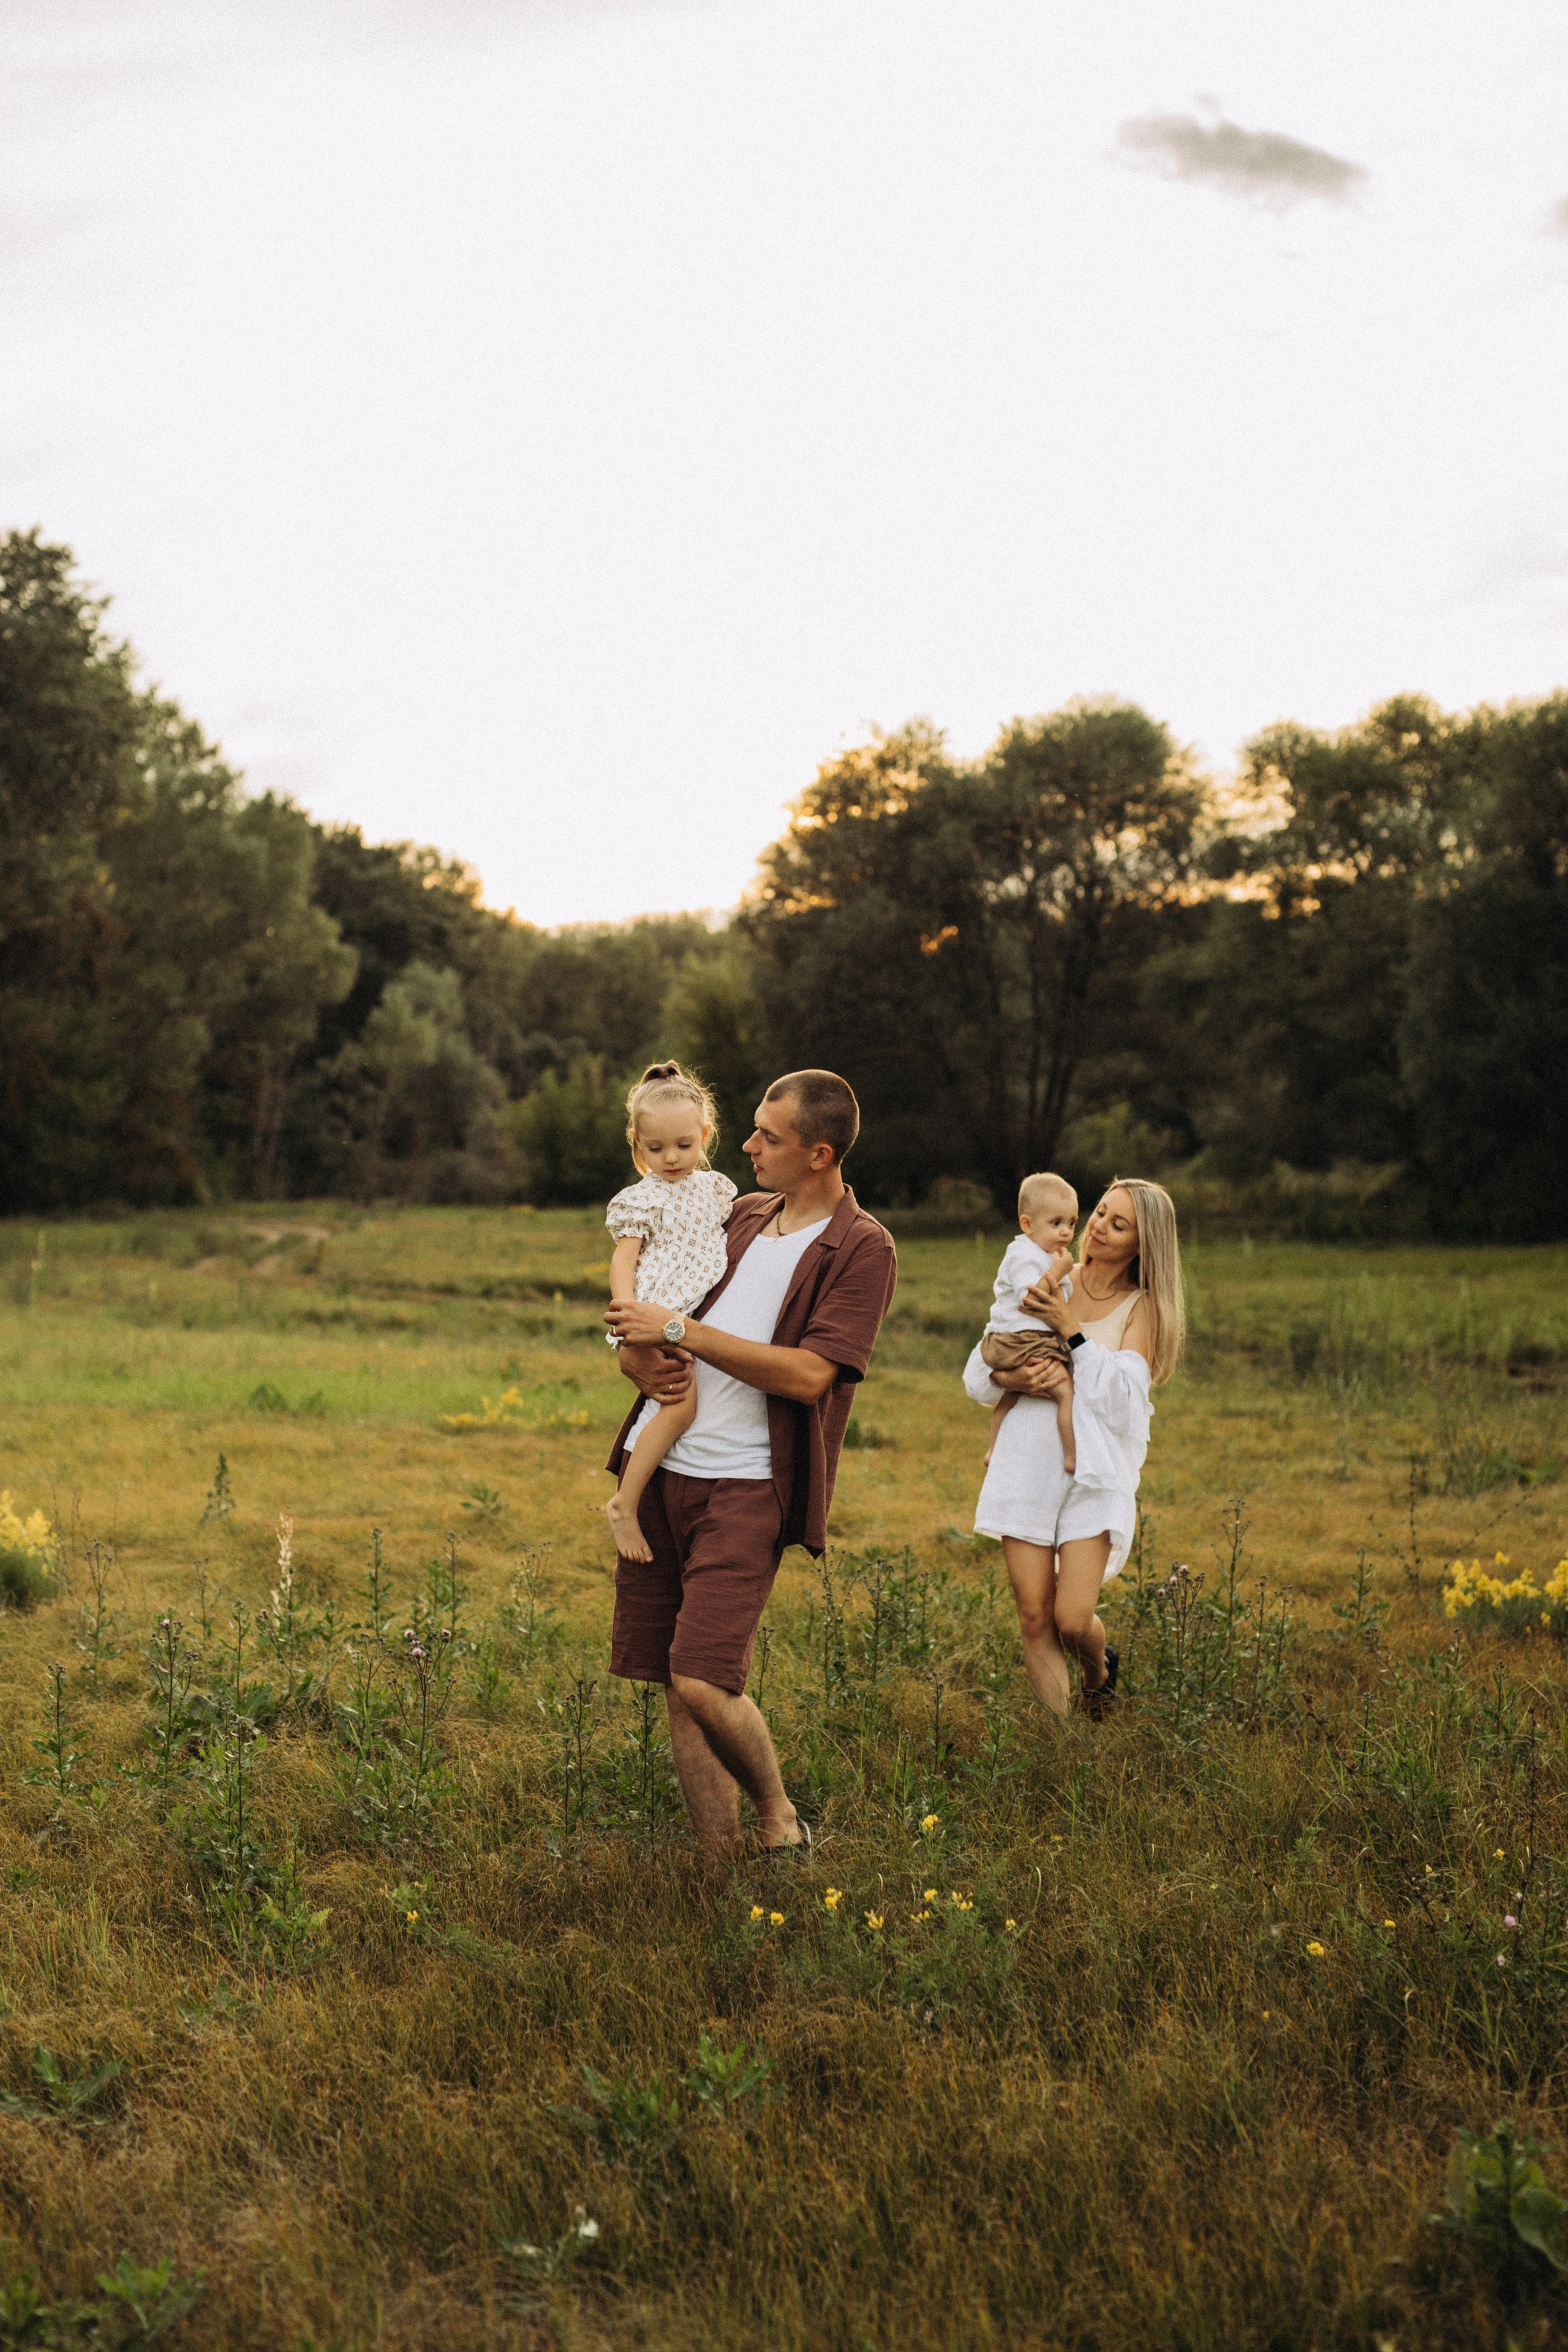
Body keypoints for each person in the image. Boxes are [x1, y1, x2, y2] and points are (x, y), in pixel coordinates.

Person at [603, 1070, 897, 1852]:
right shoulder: (735, 1212)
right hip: (667, 1465)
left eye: (769, 1136)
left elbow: (809, 1376)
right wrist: (635, 1358)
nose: (746, 1143)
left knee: (705, 1675)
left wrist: (676, 1334)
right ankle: (717, 1863)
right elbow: (657, 1304)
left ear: (819, 1153)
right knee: (675, 1685)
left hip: (748, 1485)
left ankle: (780, 1820)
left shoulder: (860, 1247)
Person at [963, 1178, 1184, 1720]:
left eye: (1118, 1223)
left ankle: (1099, 1667)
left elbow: (1125, 1402)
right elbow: (978, 1375)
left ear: (1143, 1243)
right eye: (1100, 1213)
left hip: (1093, 1472)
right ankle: (1061, 1751)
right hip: (1026, 1464)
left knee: (1071, 1617)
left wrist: (1072, 1331)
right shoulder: (1046, 1273)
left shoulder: (1143, 1309)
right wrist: (1019, 1378)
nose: (1098, 1228)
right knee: (1034, 1616)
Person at [603, 1061, 736, 1565]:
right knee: (680, 1404)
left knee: (673, 1404)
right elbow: (625, 1259)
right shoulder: (642, 1198)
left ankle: (635, 1496)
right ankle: (625, 1503)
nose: (671, 1158)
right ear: (638, 1145)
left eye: (684, 1145)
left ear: (705, 1135)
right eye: (655, 1149)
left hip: (687, 1315)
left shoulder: (717, 1189)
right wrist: (627, 1318)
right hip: (655, 1313)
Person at [979, 1172, 1079, 1472]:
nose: (1066, 1232)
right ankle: (1073, 1455)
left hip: (1007, 1339)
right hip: (1019, 1339)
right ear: (1028, 1224)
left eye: (1072, 1223)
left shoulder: (1041, 1252)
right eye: (1056, 1223)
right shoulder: (1025, 1254)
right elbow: (1030, 1298)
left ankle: (993, 1450)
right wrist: (1059, 1272)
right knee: (1066, 1392)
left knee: (1011, 1396)